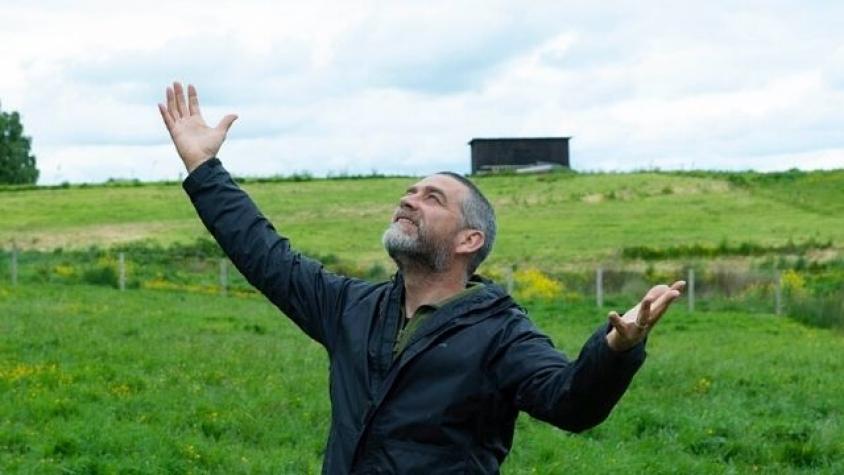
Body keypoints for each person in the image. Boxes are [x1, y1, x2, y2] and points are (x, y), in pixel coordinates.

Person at [158, 82, 685, 474]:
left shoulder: (501, 335)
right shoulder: (352, 308)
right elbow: (265, 255)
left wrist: (615, 350)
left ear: (469, 240)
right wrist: (205, 169)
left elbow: (569, 402)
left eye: (433, 198)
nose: (409, 200)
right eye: (409, 193)